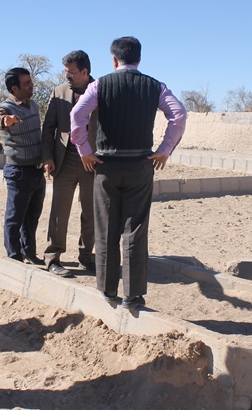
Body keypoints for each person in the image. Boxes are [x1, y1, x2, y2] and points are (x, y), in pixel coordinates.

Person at [70, 37, 186, 310]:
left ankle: (108, 289)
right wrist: (164, 150)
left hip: (106, 166)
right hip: (140, 165)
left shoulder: (99, 85)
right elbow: (178, 115)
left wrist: (85, 150)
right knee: (135, 230)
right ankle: (132, 296)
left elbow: (77, 115)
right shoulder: (155, 86)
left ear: (114, 60)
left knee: (106, 228)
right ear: (139, 59)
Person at [41, 50, 98, 278]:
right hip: (64, 160)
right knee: (59, 210)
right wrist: (47, 157)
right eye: (65, 72)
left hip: (92, 161)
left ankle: (87, 256)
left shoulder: (101, 90)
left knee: (91, 211)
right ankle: (52, 257)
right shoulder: (59, 92)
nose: (67, 76)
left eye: (71, 72)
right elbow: (48, 128)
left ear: (85, 72)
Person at [0, 67, 46, 266]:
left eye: (31, 81)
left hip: (37, 170)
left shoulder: (33, 105)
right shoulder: (6, 108)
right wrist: (5, 121)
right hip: (19, 172)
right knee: (15, 217)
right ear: (14, 88)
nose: (32, 85)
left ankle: (29, 252)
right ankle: (13, 257)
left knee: (32, 217)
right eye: (26, 83)